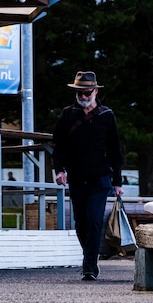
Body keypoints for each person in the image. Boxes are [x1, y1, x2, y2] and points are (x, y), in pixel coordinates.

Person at [52, 71, 123, 281]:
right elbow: (58, 146)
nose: (83, 97)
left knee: (94, 220)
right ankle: (89, 257)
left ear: (96, 91)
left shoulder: (107, 115)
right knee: (81, 222)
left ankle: (89, 266)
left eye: (87, 92)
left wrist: (117, 182)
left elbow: (115, 150)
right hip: (76, 177)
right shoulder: (67, 115)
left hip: (100, 178)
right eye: (79, 93)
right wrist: (59, 170)